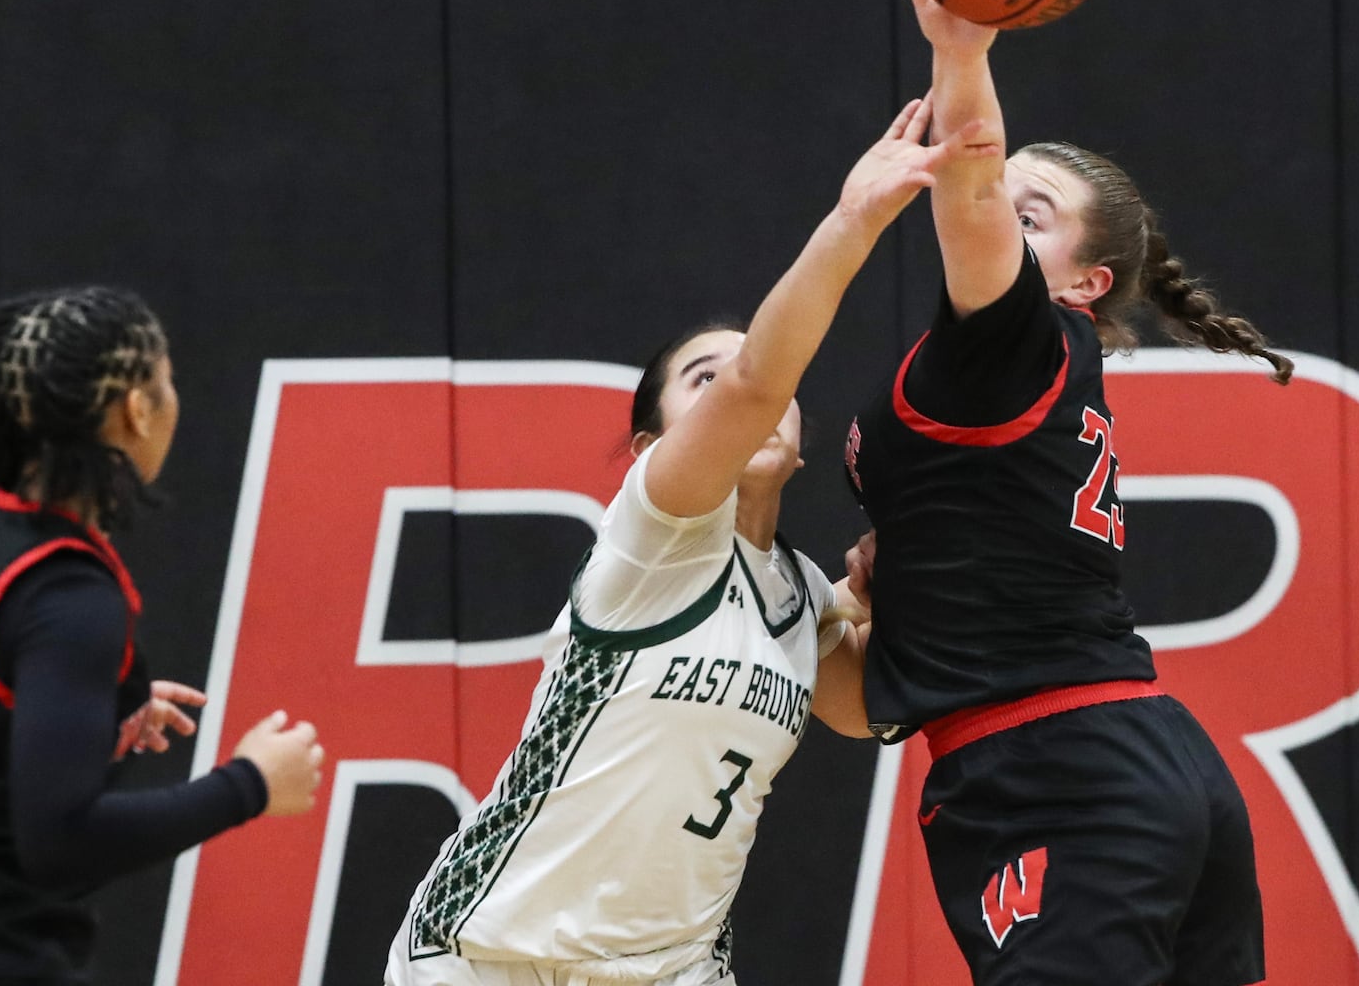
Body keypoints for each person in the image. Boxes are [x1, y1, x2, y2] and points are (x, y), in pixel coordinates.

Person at [382, 99, 997, 986]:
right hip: (491, 957)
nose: (747, 388)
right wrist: (853, 220)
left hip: (673, 969)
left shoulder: (798, 595)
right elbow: (754, 383)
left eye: (753, 377)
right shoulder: (651, 539)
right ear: (648, 451)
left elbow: (863, 713)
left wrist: (902, 586)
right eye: (700, 381)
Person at [840, 0, 1288, 986]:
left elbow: (965, 172)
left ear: (1085, 282)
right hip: (1135, 747)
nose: (994, 206)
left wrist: (961, 47)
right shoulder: (996, 366)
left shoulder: (1026, 336)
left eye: (1025, 212)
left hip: (1059, 771)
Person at [0, 285, 326, 986]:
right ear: (135, 408)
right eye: (167, 381)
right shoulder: (72, 597)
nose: (173, 400)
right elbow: (62, 844)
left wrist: (63, 710)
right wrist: (249, 784)